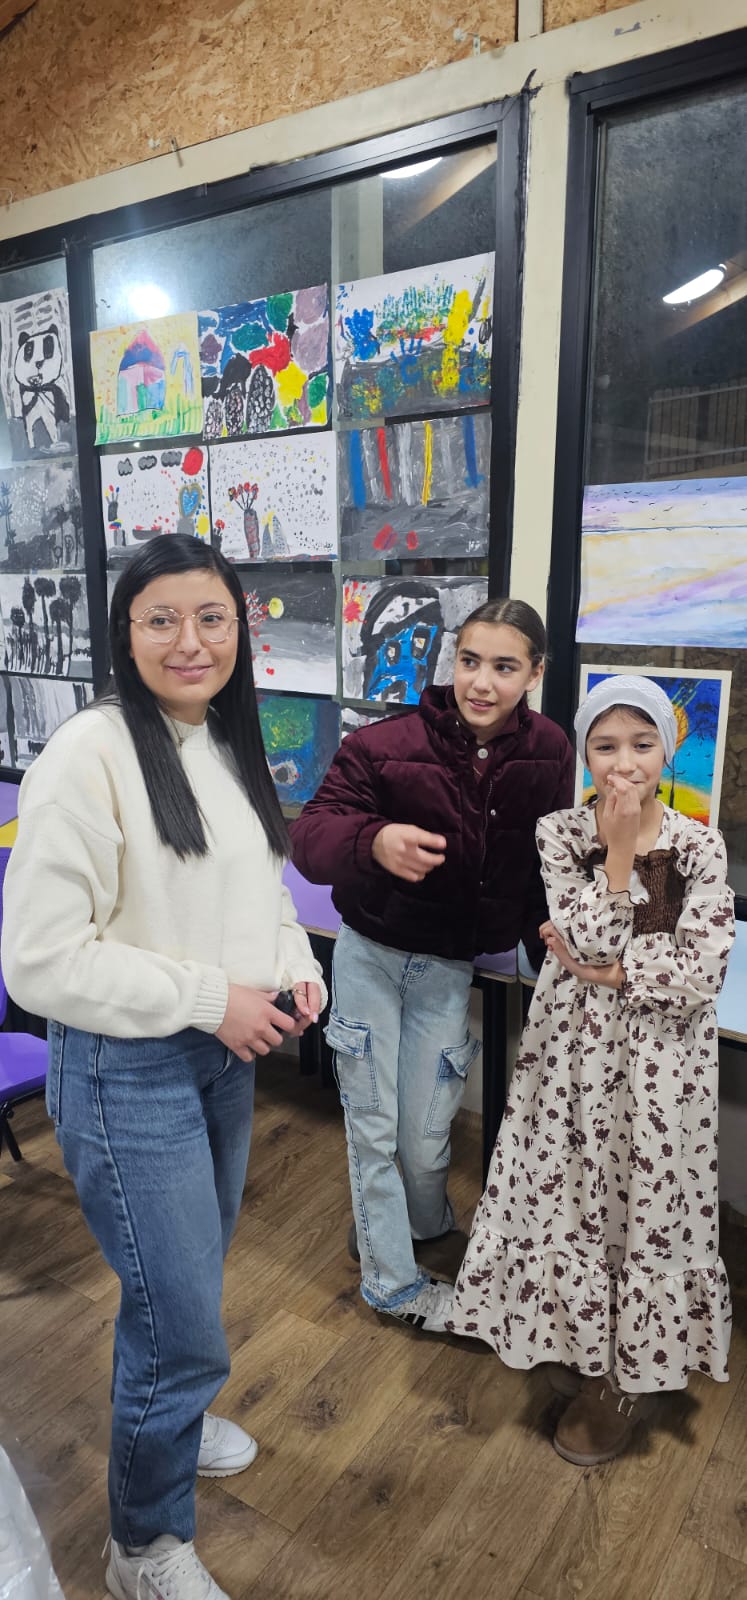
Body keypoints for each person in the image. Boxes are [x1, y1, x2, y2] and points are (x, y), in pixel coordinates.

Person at [2, 534, 325, 1600]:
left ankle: (172, 1415)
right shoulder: (88, 753)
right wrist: (211, 999)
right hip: (124, 1069)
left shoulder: (223, 738)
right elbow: (40, 961)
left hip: (220, 1055)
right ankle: (141, 1545)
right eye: (161, 619)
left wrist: (290, 966)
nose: (190, 641)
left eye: (211, 618)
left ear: (240, 629)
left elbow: (260, 892)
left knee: (182, 1281)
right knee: (180, 1317)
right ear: (125, 632)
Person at [448, 674, 735, 1465]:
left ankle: (626, 1378)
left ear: (664, 752)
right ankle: (577, 1338)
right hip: (570, 1050)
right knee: (573, 1188)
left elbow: (697, 971)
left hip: (661, 1061)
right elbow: (589, 942)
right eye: (604, 746)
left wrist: (610, 971)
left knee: (644, 1194)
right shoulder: (559, 833)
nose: (623, 762)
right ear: (584, 754)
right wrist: (615, 860)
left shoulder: (697, 844)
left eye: (641, 744)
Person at [291, 598, 574, 1334]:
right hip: (371, 958)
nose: (480, 682)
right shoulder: (384, 743)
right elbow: (311, 838)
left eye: (504, 667)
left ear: (534, 674)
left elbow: (540, 868)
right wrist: (373, 840)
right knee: (374, 1130)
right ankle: (392, 1286)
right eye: (469, 661)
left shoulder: (550, 749)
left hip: (447, 968)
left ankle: (411, 1225)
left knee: (424, 1134)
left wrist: (551, 955)